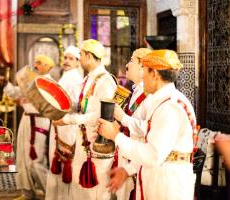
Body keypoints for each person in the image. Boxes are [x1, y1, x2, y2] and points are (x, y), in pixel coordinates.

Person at [98, 49, 197, 200]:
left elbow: (153, 154)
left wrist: (116, 136)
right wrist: (128, 169)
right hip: (159, 179)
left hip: (167, 185)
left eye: (144, 70)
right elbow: (156, 147)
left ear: (155, 74)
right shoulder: (162, 102)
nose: (142, 75)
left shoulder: (170, 107)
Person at [53, 39, 117, 200]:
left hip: (97, 144)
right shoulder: (88, 79)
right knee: (79, 189)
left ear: (89, 56)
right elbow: (81, 105)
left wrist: (69, 120)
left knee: (96, 192)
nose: (79, 58)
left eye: (80, 55)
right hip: (83, 140)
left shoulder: (106, 81)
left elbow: (100, 115)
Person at [4, 55, 55, 200]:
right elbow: (16, 92)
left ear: (48, 66)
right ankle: (27, 192)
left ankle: (49, 194)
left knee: (36, 160)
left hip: (40, 122)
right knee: (22, 157)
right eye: (35, 62)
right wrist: (5, 85)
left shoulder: (50, 83)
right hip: (26, 119)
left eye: (39, 63)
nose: (35, 65)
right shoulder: (33, 81)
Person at [109, 48, 152, 200]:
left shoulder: (151, 94)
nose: (127, 65)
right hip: (126, 152)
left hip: (138, 158)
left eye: (132, 60)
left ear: (143, 67)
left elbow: (148, 128)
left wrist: (123, 118)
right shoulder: (135, 91)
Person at [45, 45, 83, 200]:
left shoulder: (75, 78)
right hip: (60, 124)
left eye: (71, 58)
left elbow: (76, 105)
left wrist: (58, 104)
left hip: (69, 127)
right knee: (57, 166)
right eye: (65, 57)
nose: (67, 61)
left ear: (78, 62)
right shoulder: (66, 75)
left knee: (66, 167)